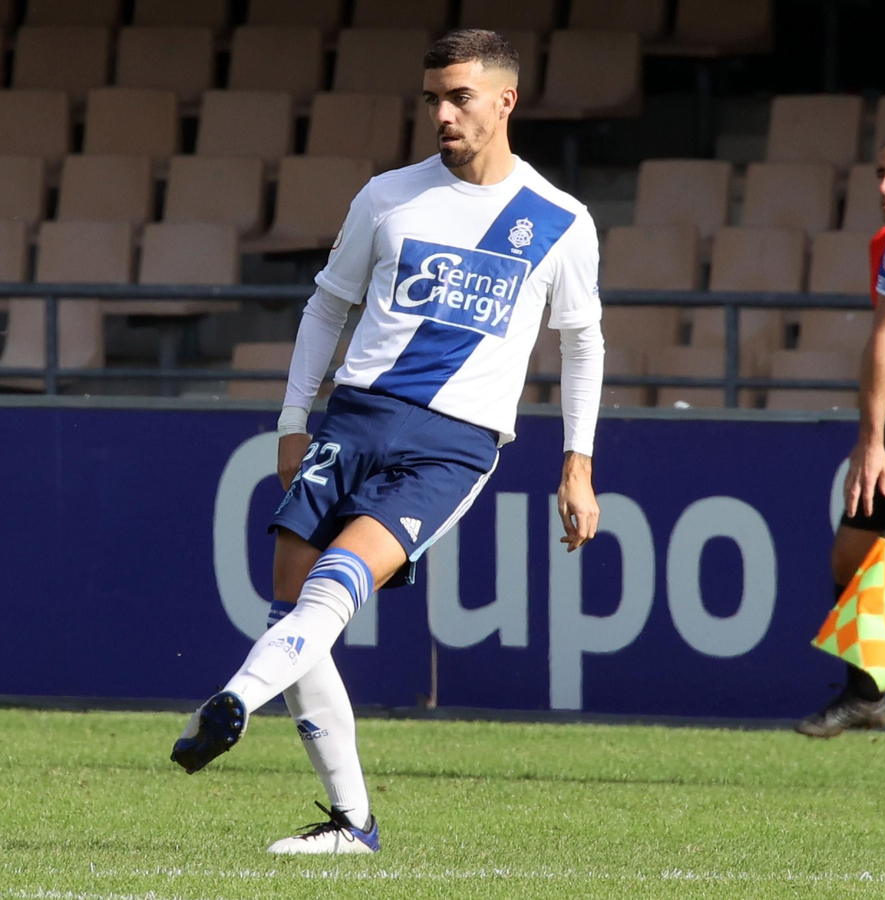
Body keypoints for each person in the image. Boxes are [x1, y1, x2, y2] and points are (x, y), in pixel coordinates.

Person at [168, 29, 604, 854]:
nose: (442, 113)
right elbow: (327, 306)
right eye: (434, 98)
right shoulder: (387, 197)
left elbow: (582, 344)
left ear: (505, 100)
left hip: (454, 441)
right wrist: (294, 421)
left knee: (338, 581)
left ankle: (233, 701)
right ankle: (351, 824)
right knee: (291, 601)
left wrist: (577, 464)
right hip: (358, 416)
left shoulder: (558, 221)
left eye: (460, 97)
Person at [821, 135, 885, 737]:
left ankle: (865, 691)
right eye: (878, 172)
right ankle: (866, 693)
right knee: (854, 556)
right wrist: (874, 436)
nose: (884, 185)